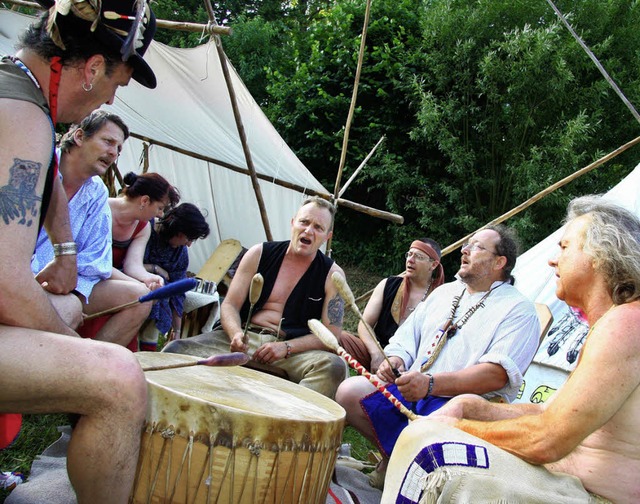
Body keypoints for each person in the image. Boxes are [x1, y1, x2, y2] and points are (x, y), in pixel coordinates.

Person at [383, 196, 640, 504]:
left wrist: (457, 426)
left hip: (594, 495)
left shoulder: (626, 323)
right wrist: (473, 408)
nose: (552, 260)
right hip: (566, 481)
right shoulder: (616, 323)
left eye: (565, 247)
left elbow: (548, 439)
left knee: (432, 451)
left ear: (600, 255)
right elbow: (548, 413)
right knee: (426, 435)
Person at [0, 0, 157, 502]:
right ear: (92, 69)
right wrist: (73, 342)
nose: (110, 97)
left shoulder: (15, 90)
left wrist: (66, 252)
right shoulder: (24, 116)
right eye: (116, 84)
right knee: (117, 378)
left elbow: (45, 187)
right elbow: (6, 283)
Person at [335, 224, 540, 486]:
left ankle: (408, 470)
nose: (464, 250)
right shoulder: (444, 293)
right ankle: (398, 460)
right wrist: (395, 360)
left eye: (477, 247)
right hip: (415, 391)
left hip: (461, 408)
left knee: (428, 426)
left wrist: (431, 384)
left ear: (500, 262)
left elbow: (496, 375)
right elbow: (406, 339)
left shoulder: (519, 310)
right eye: (467, 244)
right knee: (350, 392)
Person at [164, 196, 348, 399]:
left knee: (333, 367)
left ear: (326, 236)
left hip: (290, 350)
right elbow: (230, 305)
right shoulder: (259, 253)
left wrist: (286, 347)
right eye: (304, 222)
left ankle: (287, 421)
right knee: (176, 350)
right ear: (293, 222)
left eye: (318, 227)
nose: (308, 231)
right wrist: (235, 334)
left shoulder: (332, 275)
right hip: (243, 336)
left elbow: (331, 336)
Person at [31, 110, 152, 347]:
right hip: (19, 278)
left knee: (143, 298)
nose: (113, 153)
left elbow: (95, 258)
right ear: (79, 136)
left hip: (69, 284)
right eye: (108, 142)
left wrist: (70, 292)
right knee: (65, 312)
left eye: (118, 149)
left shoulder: (97, 193)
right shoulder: (36, 164)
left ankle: (92, 362)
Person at [339, 238, 445, 372]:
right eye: (409, 254)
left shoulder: (441, 296)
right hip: (377, 351)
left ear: (433, 265)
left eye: (418, 256)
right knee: (337, 337)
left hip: (410, 364)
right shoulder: (388, 284)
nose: (410, 260)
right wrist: (376, 353)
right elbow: (364, 325)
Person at [140, 203, 210, 351]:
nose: (189, 244)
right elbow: (126, 264)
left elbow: (177, 292)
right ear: (177, 229)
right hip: (133, 293)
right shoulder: (145, 230)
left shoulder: (180, 253)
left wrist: (177, 331)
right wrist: (155, 269)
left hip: (155, 305)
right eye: (189, 238)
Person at [108, 171, 180, 288]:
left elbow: (133, 264)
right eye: (160, 208)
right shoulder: (101, 208)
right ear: (145, 201)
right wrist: (136, 284)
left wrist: (148, 278)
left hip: (108, 280)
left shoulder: (143, 227)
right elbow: (96, 263)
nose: (160, 215)